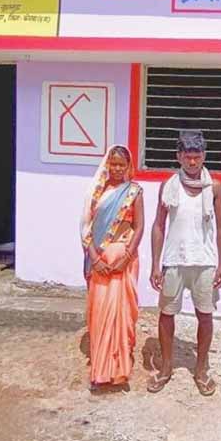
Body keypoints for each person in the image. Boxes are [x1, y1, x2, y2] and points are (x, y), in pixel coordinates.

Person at [147, 130, 221, 396]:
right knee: (166, 314)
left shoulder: (214, 187)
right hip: (174, 260)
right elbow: (159, 226)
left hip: (204, 262)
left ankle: (201, 369)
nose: (192, 162)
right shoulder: (168, 186)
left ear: (204, 156)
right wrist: (155, 264)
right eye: (187, 156)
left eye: (197, 156)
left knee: (205, 315)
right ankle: (166, 368)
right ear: (179, 156)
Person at [80, 144, 144, 390]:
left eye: (121, 165)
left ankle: (120, 370)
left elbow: (139, 226)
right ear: (107, 165)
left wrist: (126, 257)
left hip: (123, 262)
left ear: (128, 166)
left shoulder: (134, 192)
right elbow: (86, 229)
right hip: (100, 263)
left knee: (122, 313)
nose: (117, 168)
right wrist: (95, 259)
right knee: (101, 313)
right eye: (113, 164)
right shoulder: (97, 193)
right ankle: (100, 371)